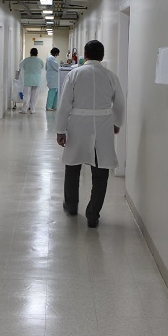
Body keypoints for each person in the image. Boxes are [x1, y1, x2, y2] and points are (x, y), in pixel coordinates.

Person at [55, 40, 125, 228]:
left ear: (85, 55)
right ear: (102, 56)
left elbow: (64, 104)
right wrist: (117, 123)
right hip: (103, 125)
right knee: (101, 170)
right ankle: (93, 214)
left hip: (78, 124)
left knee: (73, 166)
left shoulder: (74, 74)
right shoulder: (111, 76)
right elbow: (119, 103)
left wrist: (60, 130)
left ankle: (71, 205)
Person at [18, 48, 43, 114]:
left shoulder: (26, 60)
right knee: (34, 96)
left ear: (30, 53)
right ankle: (32, 110)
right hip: (37, 80)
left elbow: (20, 66)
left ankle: (24, 109)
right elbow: (42, 68)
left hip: (28, 79)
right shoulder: (40, 60)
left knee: (26, 95)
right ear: (37, 53)